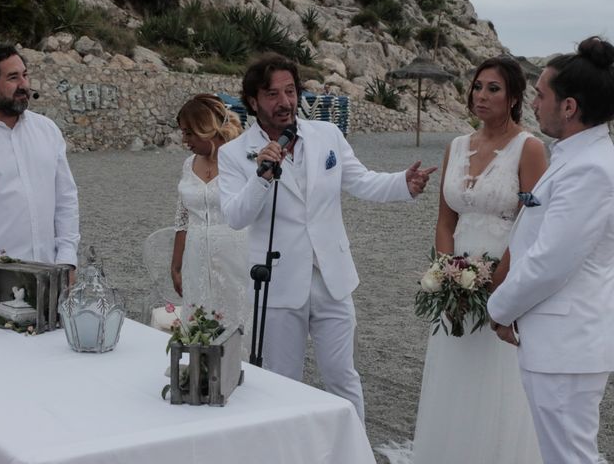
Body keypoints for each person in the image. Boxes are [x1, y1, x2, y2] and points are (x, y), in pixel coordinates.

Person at [217, 53, 436, 423]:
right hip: (279, 282)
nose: (285, 101)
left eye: (291, 91)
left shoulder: (327, 134)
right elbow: (236, 216)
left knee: (343, 376)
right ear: (253, 101)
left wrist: (403, 183)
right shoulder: (234, 153)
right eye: (273, 94)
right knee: (281, 382)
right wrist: (262, 175)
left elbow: (361, 180)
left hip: (332, 277)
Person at [378, 55, 548, 464]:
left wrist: (497, 283)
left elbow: (534, 225)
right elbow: (444, 219)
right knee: (457, 367)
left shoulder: (530, 149)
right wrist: (446, 274)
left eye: (493, 88)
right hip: (456, 281)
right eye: (477, 86)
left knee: (496, 374)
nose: (481, 96)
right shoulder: (456, 145)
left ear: (513, 98)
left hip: (504, 277)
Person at [488, 36, 614, 464]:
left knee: (571, 457)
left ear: (569, 107)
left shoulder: (591, 169)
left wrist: (499, 308)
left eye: (541, 95)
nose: (535, 103)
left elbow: (550, 262)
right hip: (557, 340)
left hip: (568, 345)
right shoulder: (573, 157)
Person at [153, 94, 251, 355]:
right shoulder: (188, 164)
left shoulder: (242, 161)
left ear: (205, 128)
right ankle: (199, 371)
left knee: (236, 315)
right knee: (198, 315)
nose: (184, 140)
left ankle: (238, 367)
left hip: (236, 255)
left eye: (189, 133)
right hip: (196, 256)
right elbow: (182, 218)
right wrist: (176, 265)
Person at [0, 43, 79, 274]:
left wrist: (67, 260)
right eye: (13, 77)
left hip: (49, 277)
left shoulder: (47, 130)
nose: (24, 85)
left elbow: (66, 200)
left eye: (25, 75)